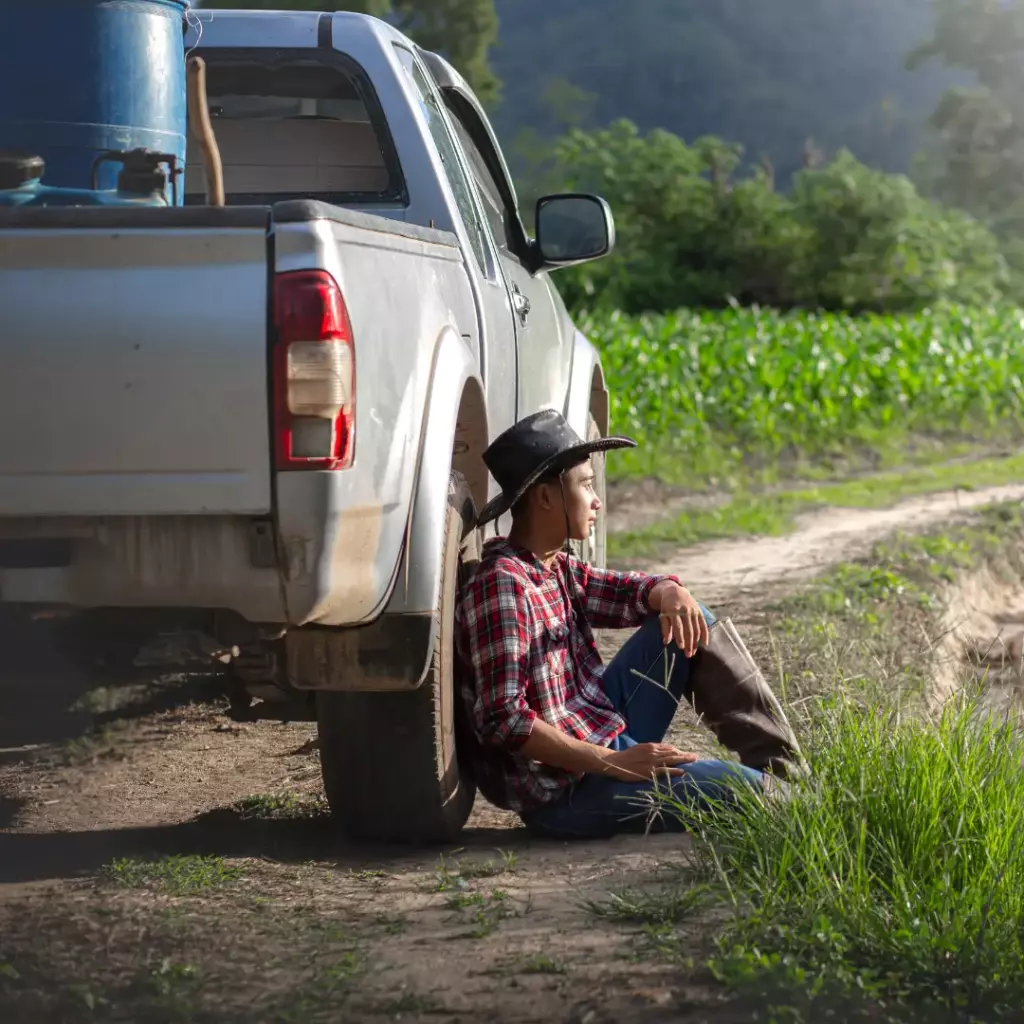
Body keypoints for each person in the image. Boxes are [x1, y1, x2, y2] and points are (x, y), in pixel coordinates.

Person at [454, 410, 803, 840]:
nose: (597, 499)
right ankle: (792, 797)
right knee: (751, 794)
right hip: (569, 793)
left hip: (604, 733)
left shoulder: (555, 566)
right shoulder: (503, 586)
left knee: (687, 614)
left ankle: (788, 772)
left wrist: (670, 590)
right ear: (545, 498)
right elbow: (503, 720)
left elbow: (629, 592)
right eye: (584, 485)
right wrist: (614, 763)